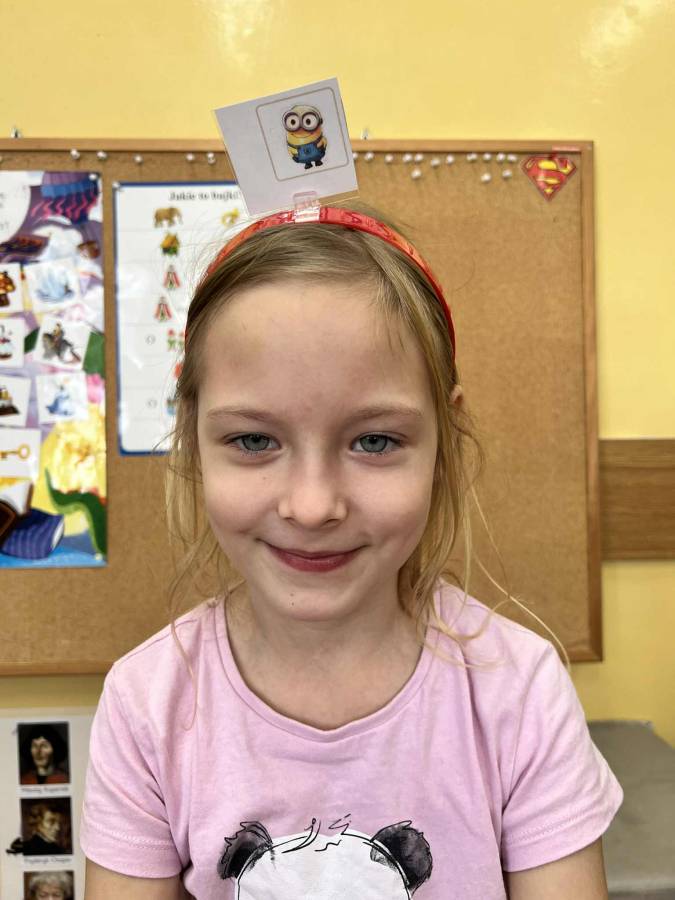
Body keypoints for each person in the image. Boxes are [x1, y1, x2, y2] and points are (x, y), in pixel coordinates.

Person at [81, 204, 623, 899]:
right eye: (253, 440)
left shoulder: (517, 693)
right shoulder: (146, 705)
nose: (312, 506)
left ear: (443, 441)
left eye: (374, 441)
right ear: (192, 436)